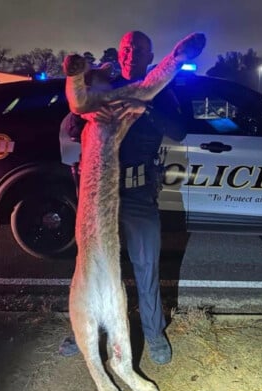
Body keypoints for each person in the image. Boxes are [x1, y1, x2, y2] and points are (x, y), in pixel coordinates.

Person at [58, 30, 187, 365]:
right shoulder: (103, 85)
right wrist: (84, 115)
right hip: (99, 195)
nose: (130, 53)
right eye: (127, 47)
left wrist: (144, 108)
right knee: (91, 268)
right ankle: (83, 330)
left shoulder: (161, 91)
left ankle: (154, 335)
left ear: (149, 55)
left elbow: (179, 129)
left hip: (139, 193)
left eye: (139, 49)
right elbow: (72, 126)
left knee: (146, 267)